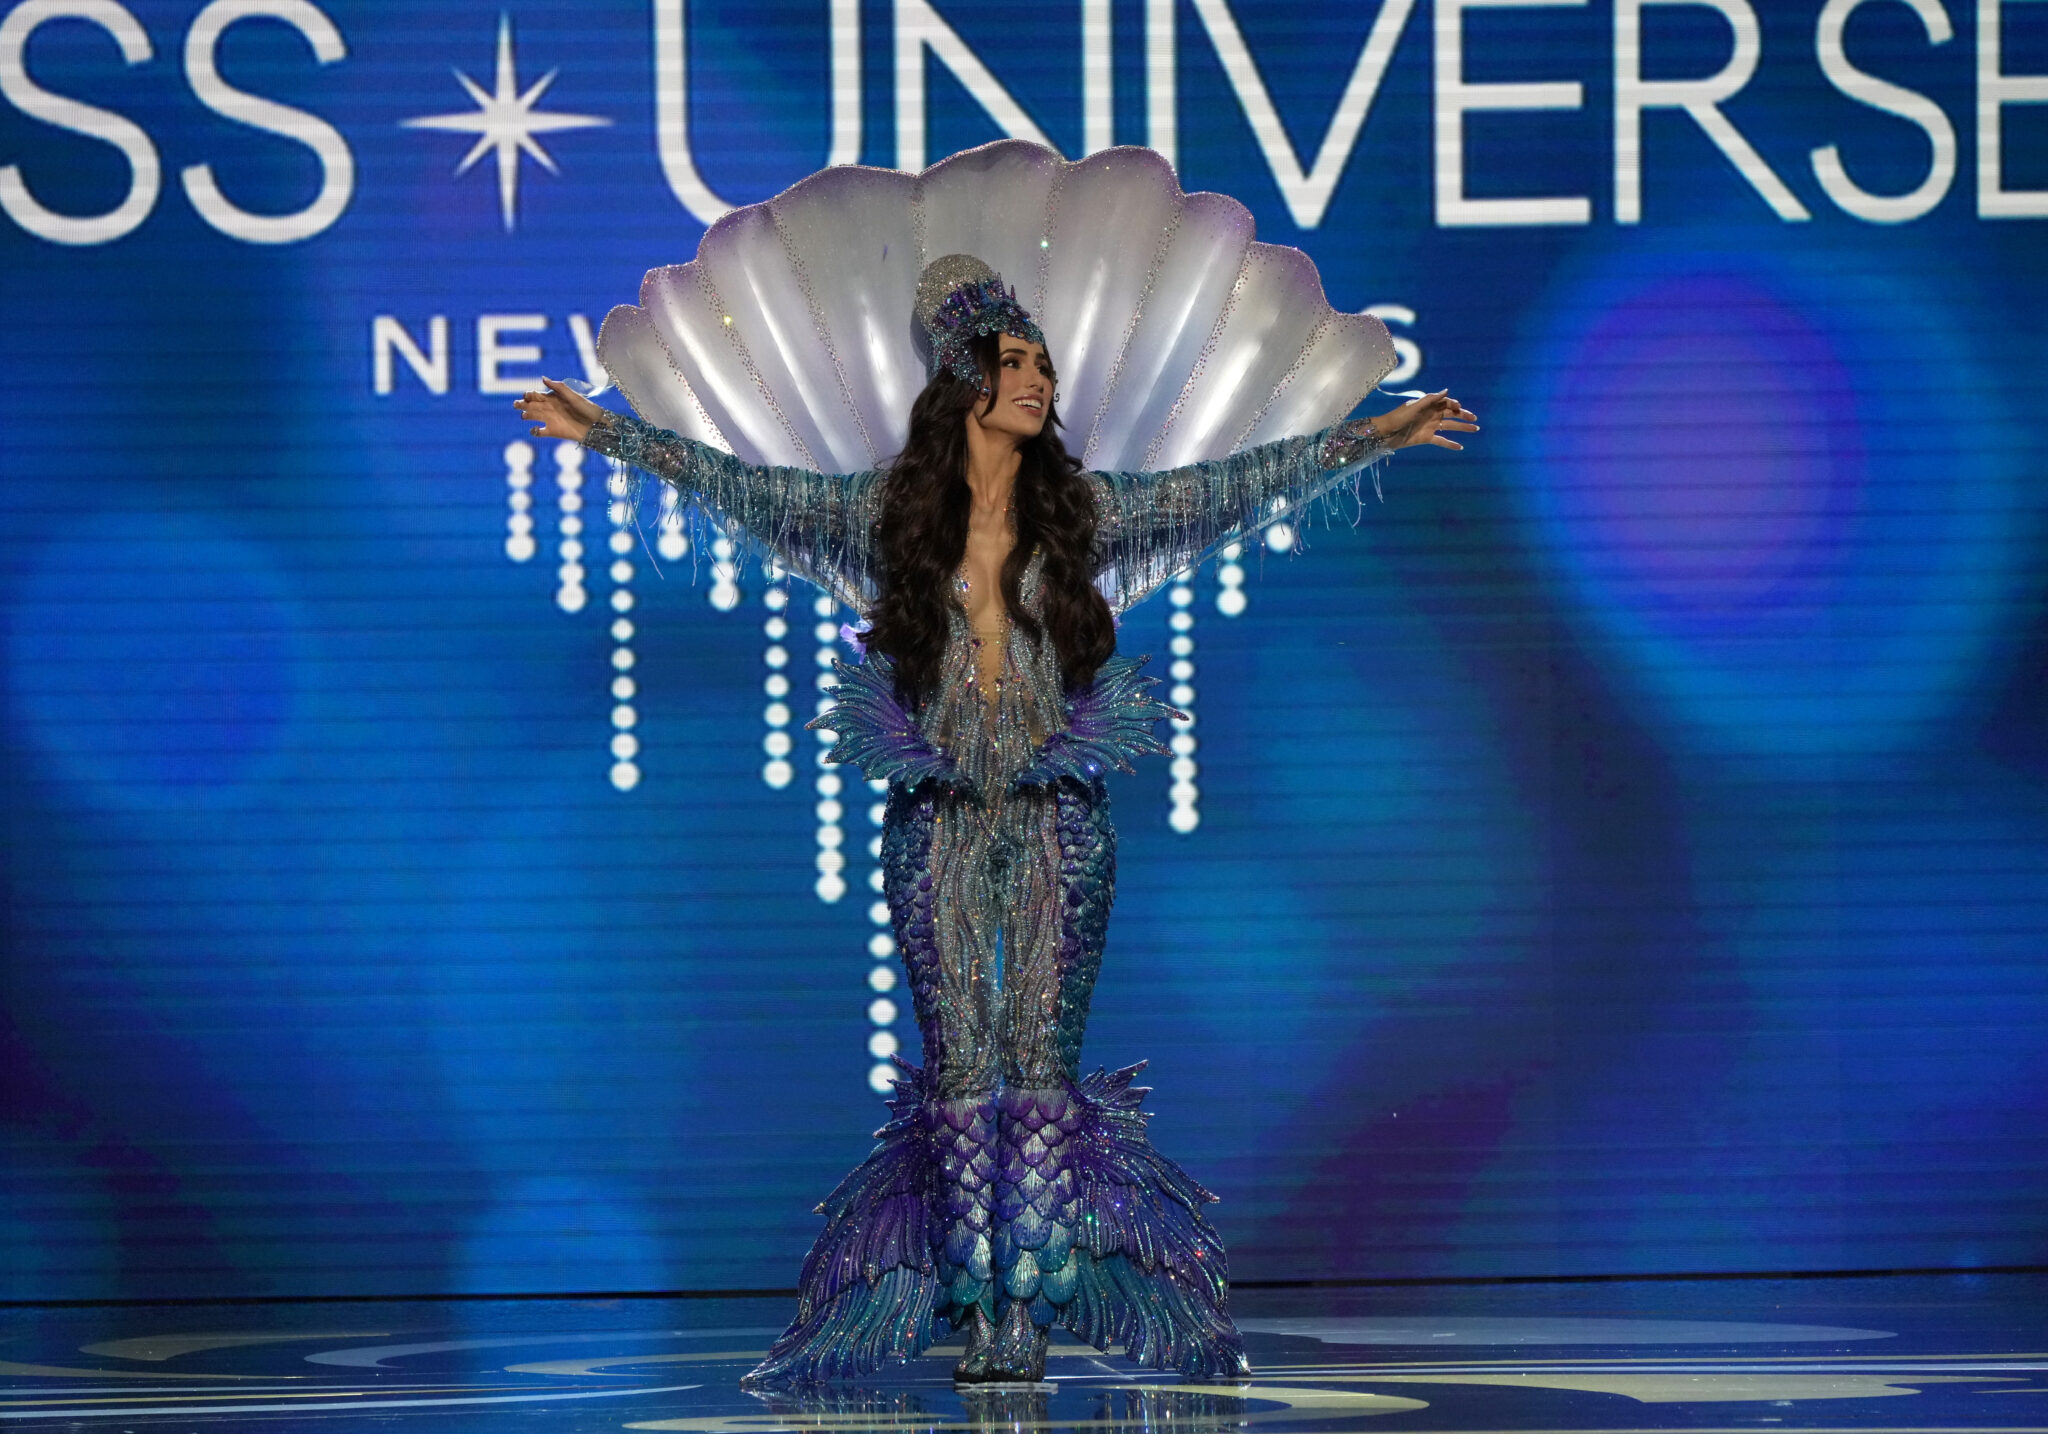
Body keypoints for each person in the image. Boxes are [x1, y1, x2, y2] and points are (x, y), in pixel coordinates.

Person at [515, 254, 1476, 1387]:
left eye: (1041, 366)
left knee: (1036, 1063)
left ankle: (1025, 1309)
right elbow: (746, 487)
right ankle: (976, 1309)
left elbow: (1231, 484)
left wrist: (1370, 436)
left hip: (1060, 823)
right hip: (933, 820)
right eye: (1012, 364)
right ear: (961, 385)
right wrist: (609, 435)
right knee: (960, 1066)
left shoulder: (1083, 516)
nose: (1034, 382)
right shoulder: (884, 518)